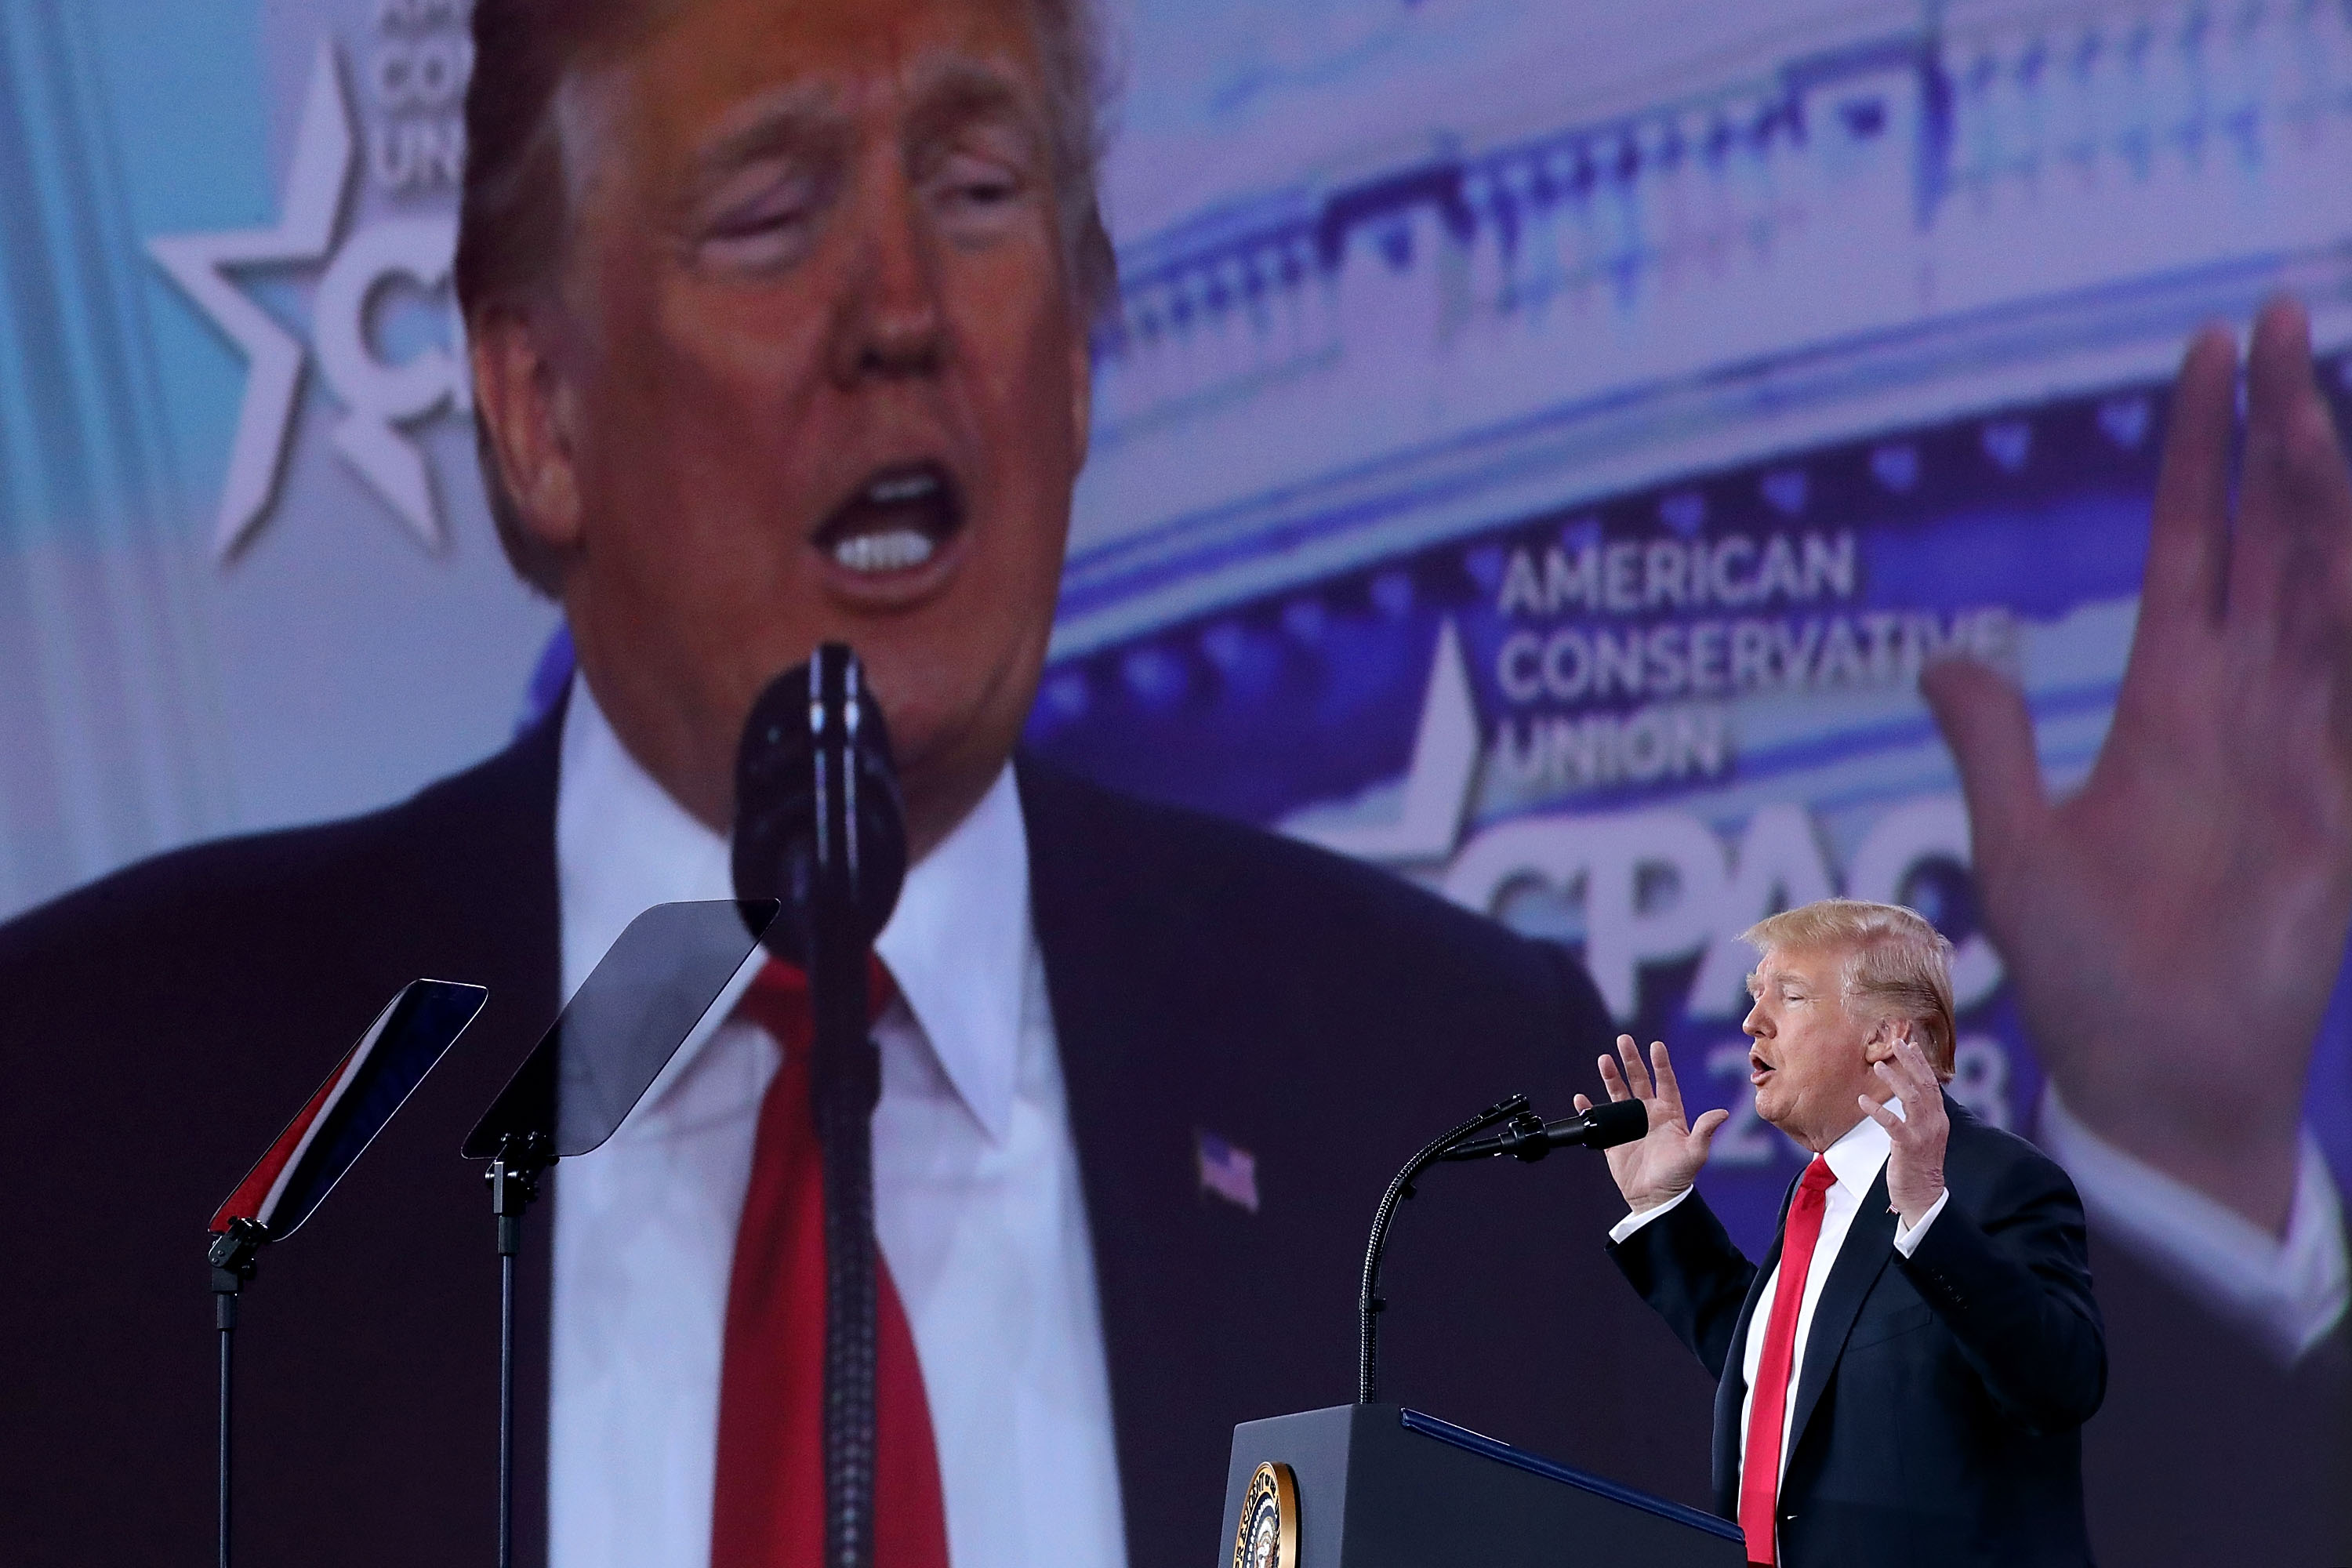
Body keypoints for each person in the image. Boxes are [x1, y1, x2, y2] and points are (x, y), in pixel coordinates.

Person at [0, 2, 1711, 1565]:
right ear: (536, 408)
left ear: (1074, 355)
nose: (903, 312)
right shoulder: (97, 1123)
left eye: (978, 193)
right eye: (768, 216)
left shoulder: (1469, 1126)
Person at [1592, 900, 2103, 1567]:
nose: (1752, 1021)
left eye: (1791, 996)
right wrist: (1663, 1208)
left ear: (1884, 1036)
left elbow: (2061, 1382)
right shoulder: (1820, 1193)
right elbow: (1798, 1380)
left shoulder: (1994, 1180)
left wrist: (1931, 1219)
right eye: (1754, 996)